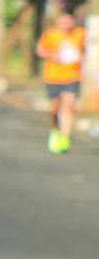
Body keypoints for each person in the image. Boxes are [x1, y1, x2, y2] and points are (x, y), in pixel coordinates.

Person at [36, 11, 86, 153]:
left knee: (69, 104)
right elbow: (40, 50)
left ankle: (65, 137)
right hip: (53, 76)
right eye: (65, 21)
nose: (68, 24)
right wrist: (52, 55)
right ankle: (55, 130)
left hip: (73, 75)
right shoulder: (51, 34)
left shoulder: (81, 33)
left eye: (71, 21)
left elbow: (88, 48)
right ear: (59, 21)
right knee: (55, 108)